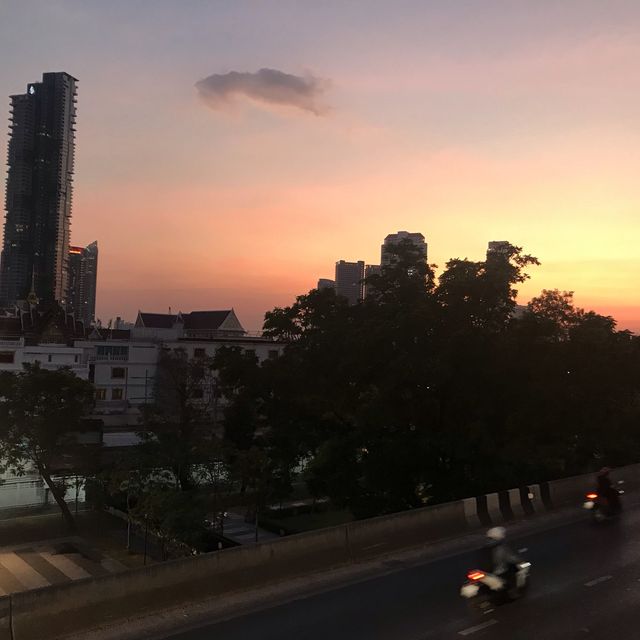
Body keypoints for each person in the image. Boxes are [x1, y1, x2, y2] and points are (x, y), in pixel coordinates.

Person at [485, 527, 522, 596]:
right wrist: (519, 561)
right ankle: (513, 592)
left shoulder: (489, 546)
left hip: (492, 571)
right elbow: (509, 558)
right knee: (513, 574)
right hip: (501, 570)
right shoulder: (500, 547)